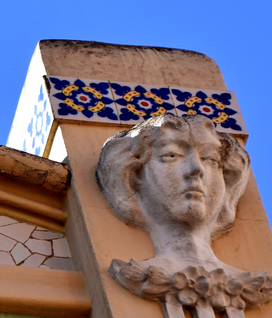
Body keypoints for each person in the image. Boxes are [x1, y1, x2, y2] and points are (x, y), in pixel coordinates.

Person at [96, 112, 249, 270]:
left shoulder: (252, 282)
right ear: (133, 175)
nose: (197, 168)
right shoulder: (132, 273)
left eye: (210, 159)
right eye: (171, 155)